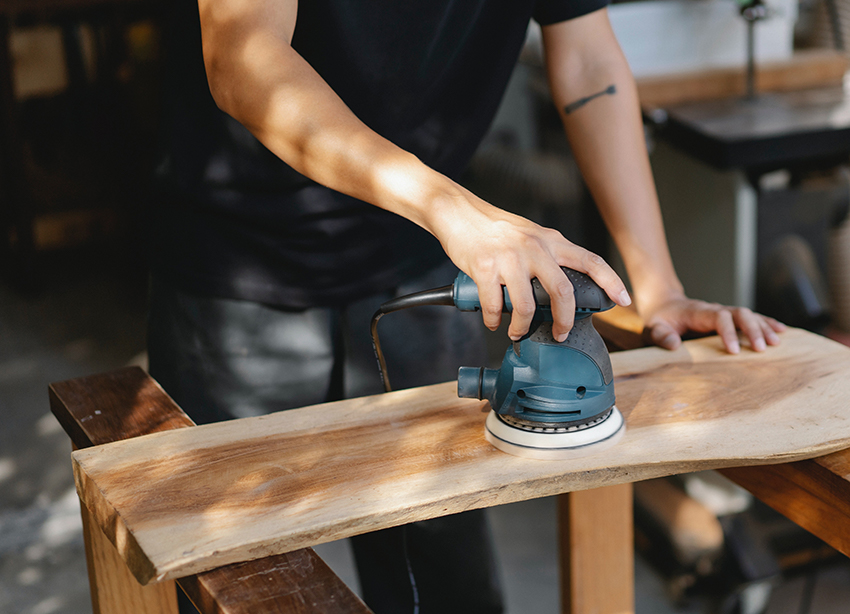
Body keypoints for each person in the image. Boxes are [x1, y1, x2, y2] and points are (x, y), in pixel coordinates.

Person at [146, 1, 786, 612]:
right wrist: (453, 210)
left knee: (446, 585)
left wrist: (658, 287)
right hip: (236, 267)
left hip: (417, 256)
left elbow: (588, 59)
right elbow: (243, 55)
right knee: (232, 581)